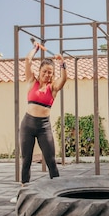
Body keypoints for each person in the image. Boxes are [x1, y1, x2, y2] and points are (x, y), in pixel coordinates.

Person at [19, 41, 67, 186]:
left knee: (51, 161)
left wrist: (62, 64)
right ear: (39, 71)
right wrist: (36, 48)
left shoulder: (53, 88)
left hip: (43, 127)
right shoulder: (31, 81)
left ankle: (58, 191)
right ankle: (23, 191)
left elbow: (64, 79)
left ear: (52, 75)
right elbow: (28, 61)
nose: (47, 74)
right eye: (44, 71)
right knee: (26, 160)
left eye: (50, 72)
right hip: (27, 125)